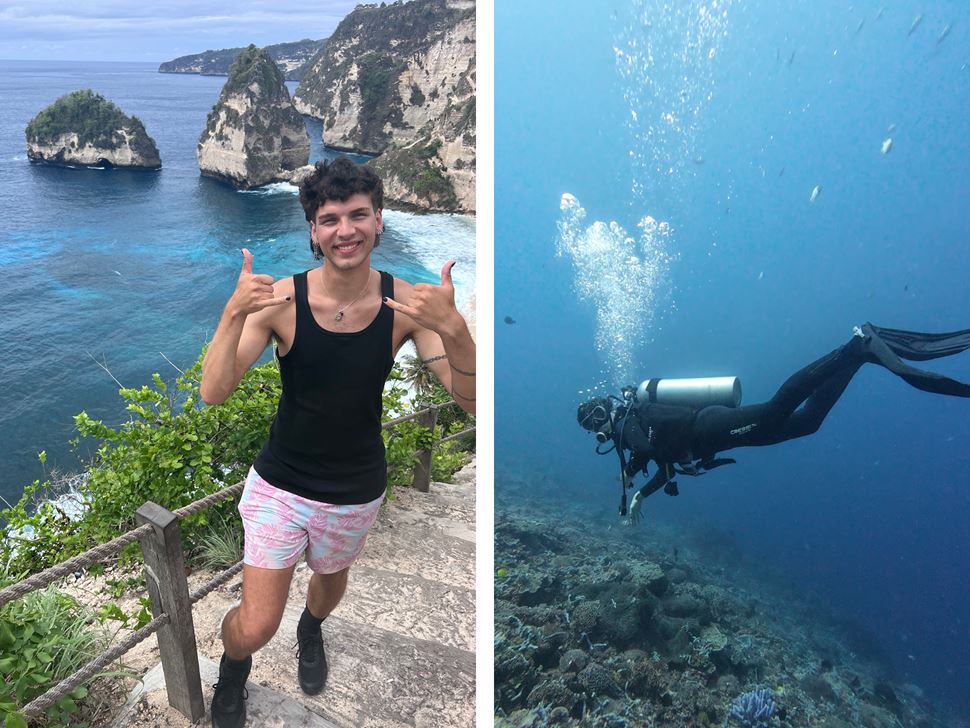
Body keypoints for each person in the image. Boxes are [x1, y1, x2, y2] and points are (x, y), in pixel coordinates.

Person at [199, 156, 475, 728]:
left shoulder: (408, 307)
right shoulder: (279, 301)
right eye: (329, 219)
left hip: (355, 489)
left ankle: (313, 629)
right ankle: (233, 666)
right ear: (313, 231)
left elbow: (470, 402)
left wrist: (455, 328)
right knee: (256, 624)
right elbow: (215, 392)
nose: (344, 230)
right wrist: (231, 314)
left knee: (328, 586)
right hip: (280, 482)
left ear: (379, 220)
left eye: (357, 215)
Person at [577, 323, 970, 524]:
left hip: (710, 429)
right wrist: (637, 481)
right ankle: (857, 359)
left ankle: (854, 345)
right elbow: (659, 456)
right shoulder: (630, 424)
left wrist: (634, 481)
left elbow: (654, 453)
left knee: (774, 410)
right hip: (716, 438)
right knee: (807, 423)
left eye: (592, 423)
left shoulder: (626, 425)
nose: (596, 431)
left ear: (599, 416)